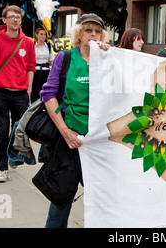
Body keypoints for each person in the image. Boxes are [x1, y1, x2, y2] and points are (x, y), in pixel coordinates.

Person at [40, 13, 110, 228]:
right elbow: (48, 95)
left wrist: (113, 57)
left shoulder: (108, 59)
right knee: (62, 198)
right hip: (69, 139)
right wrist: (65, 131)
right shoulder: (66, 57)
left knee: (102, 198)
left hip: (99, 141)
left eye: (97, 31)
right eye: (88, 30)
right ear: (79, 34)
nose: (93, 34)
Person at [0, 5, 36, 183]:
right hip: (0, 93)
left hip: (20, 93)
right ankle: (3, 167)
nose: (15, 20)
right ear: (4, 20)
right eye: (11, 17)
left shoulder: (28, 42)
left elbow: (31, 67)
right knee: (2, 132)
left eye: (18, 17)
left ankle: (14, 156)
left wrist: (29, 90)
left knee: (19, 130)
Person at [31, 28, 54, 102]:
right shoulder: (33, 46)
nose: (43, 36)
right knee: (34, 91)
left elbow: (51, 59)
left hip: (46, 71)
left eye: (44, 34)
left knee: (44, 90)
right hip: (35, 71)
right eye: (41, 34)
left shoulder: (48, 45)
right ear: (36, 35)